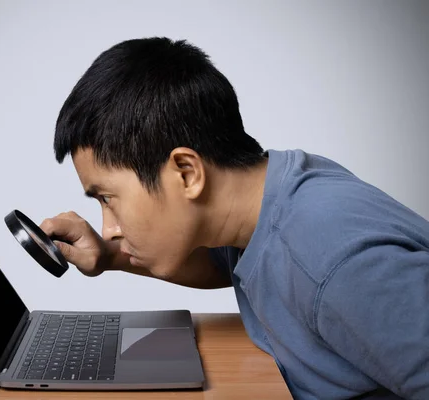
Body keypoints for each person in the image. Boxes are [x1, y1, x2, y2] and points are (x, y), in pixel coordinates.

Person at [39, 37, 429, 399]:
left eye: (108, 199)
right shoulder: (261, 205)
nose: (109, 228)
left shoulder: (338, 264)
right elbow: (223, 266)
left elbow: (311, 272)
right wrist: (110, 256)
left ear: (187, 173)